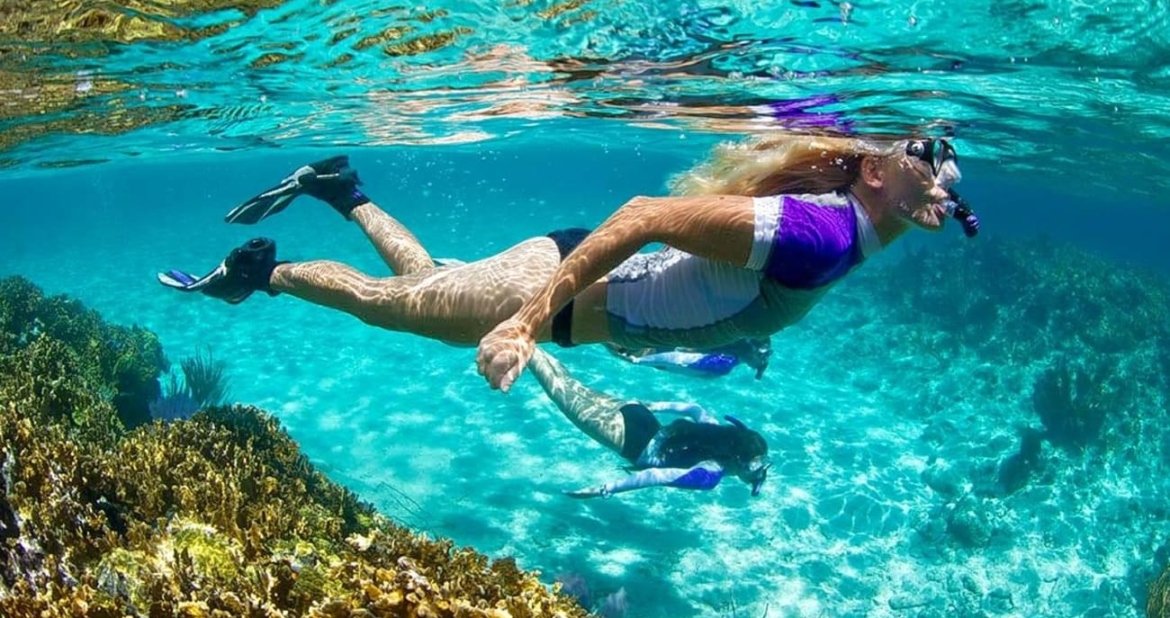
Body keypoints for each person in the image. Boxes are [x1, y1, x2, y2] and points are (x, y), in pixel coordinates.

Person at [159, 135, 978, 391]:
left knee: (426, 282)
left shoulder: (852, 230)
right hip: (550, 298)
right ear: (876, 174)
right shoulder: (819, 235)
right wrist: (524, 324)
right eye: (927, 155)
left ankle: (344, 192)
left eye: (950, 170)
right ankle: (259, 274)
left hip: (568, 280)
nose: (945, 176)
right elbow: (642, 217)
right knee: (389, 303)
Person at [526, 347, 770, 498]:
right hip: (629, 439)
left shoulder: (715, 435)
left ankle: (525, 339)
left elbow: (695, 409)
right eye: (757, 464)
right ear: (739, 459)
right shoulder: (709, 474)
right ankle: (519, 343)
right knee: (558, 390)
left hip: (641, 416)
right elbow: (654, 475)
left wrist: (655, 406)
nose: (760, 470)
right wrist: (605, 489)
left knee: (567, 384)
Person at [603, 337, 773, 380]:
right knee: (604, 336)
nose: (765, 360)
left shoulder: (726, 349)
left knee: (604, 334)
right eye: (764, 354)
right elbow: (677, 359)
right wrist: (640, 361)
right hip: (655, 354)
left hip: (660, 346)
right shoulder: (724, 363)